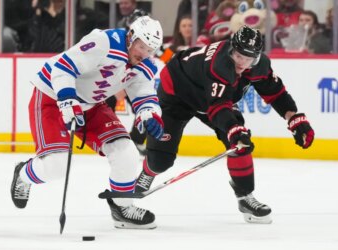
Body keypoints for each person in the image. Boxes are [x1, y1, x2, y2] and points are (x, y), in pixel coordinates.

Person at [135, 25, 315, 224]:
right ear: (231, 48)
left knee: (240, 144)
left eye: (249, 58)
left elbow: (276, 93)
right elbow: (218, 107)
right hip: (176, 93)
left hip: (210, 99)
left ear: (257, 56)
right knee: (161, 161)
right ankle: (147, 173)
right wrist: (233, 130)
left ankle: (245, 197)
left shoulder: (259, 65)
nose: (242, 63)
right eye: (238, 56)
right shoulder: (219, 63)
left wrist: (294, 118)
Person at [10, 16, 164, 229]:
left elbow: (144, 94)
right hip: (53, 97)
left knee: (126, 152)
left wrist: (149, 115)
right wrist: (67, 100)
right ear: (130, 37)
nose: (144, 54)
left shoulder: (146, 64)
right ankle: (23, 174)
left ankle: (122, 206)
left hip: (92, 105)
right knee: (57, 166)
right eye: (141, 47)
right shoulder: (104, 42)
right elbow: (63, 66)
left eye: (150, 50)